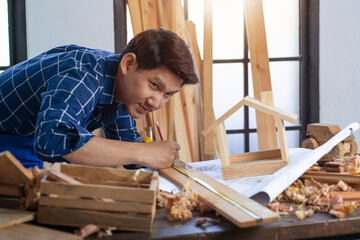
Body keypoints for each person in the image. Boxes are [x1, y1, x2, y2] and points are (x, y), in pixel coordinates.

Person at [0, 28, 199, 169]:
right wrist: (144, 153)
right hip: (10, 136)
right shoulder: (84, 76)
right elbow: (52, 140)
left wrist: (154, 154)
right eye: (154, 85)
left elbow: (127, 149)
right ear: (128, 64)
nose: (156, 102)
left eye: (167, 94)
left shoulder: (125, 93)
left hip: (26, 138)